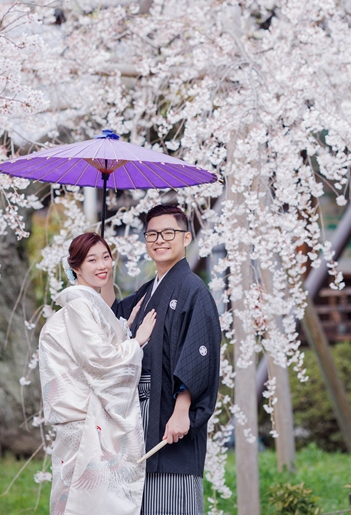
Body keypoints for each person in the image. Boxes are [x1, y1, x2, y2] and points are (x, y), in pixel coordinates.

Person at [112, 205, 222, 515]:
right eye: (152, 234)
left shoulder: (193, 290)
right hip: (141, 410)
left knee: (171, 496)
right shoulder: (149, 290)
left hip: (169, 409)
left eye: (168, 233)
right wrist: (101, 265)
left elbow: (199, 350)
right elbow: (114, 316)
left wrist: (182, 410)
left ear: (186, 238)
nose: (159, 240)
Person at [39, 232, 158, 515]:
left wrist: (123, 328)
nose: (102, 265)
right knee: (86, 503)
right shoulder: (80, 304)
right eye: (91, 260)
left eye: (105, 257)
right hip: (84, 422)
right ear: (76, 267)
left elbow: (97, 347)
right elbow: (100, 361)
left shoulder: (89, 303)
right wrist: (137, 342)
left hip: (83, 420)